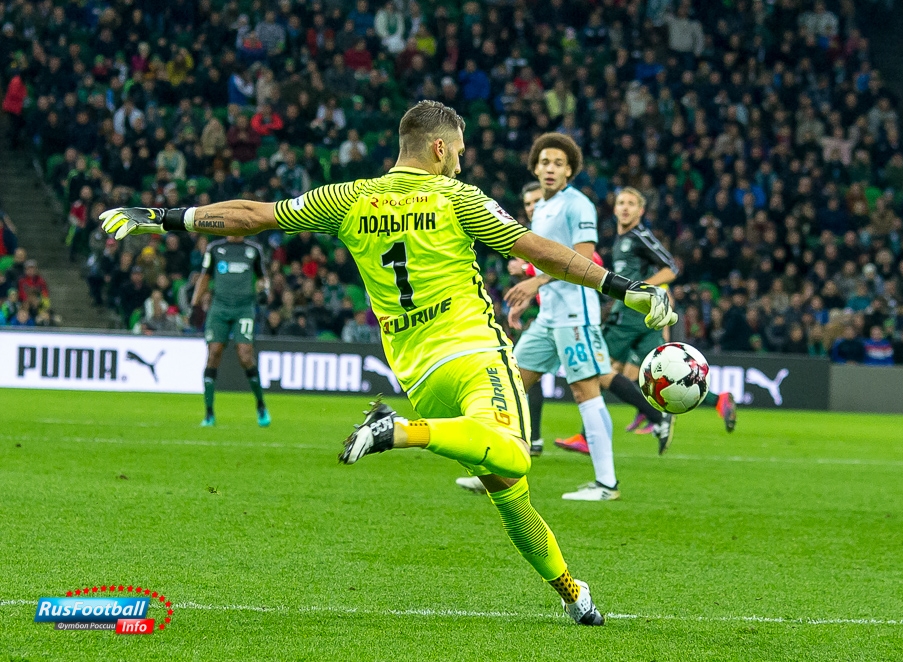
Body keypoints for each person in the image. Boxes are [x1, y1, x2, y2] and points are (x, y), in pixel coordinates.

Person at [100, 100, 676, 626]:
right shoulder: (458, 198)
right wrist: (624, 288)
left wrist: (163, 216)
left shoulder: (349, 198)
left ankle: (573, 593)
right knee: (516, 454)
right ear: (440, 148)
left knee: (510, 494)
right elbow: (540, 251)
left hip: (418, 372)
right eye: (459, 153)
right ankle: (397, 431)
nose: (460, 163)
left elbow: (252, 214)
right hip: (473, 352)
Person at [551, 187, 738, 456]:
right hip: (641, 318)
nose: (625, 208)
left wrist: (639, 289)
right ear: (614, 209)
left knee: (596, 368)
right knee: (652, 375)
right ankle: (717, 401)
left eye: (631, 203)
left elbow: (671, 268)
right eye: (621, 203)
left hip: (630, 316)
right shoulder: (621, 240)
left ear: (641, 211)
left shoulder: (639, 236)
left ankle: (594, 434)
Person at [496, 133, 626, 501]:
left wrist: (535, 282)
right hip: (549, 316)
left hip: (575, 314)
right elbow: (546, 261)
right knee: (509, 385)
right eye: (544, 162)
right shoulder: (543, 208)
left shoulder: (577, 205)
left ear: (569, 170)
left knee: (585, 390)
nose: (550, 169)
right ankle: (499, 470)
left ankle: (607, 485)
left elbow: (584, 260)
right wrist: (528, 296)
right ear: (535, 168)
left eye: (558, 163)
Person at [191, 235, 271, 427]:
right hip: (219, 308)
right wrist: (195, 304)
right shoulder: (214, 248)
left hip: (244, 308)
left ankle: (261, 405)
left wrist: (263, 291)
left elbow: (263, 278)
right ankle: (209, 413)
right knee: (213, 354)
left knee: (245, 355)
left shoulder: (253, 249)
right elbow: (205, 276)